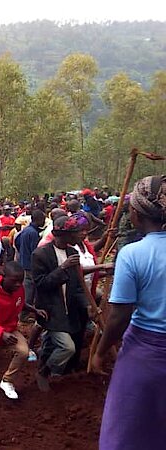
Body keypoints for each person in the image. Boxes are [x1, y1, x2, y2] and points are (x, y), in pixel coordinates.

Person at [92, 175, 166, 449]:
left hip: (145, 353)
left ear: (136, 213)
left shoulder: (132, 254)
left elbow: (119, 316)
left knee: (127, 429)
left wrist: (100, 351)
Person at [0, 262, 47, 407]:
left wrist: (34, 310)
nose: (18, 284)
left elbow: (20, 302)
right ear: (3, 277)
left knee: (23, 352)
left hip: (10, 330)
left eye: (20, 281)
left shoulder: (18, 289)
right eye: (14, 281)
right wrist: (1, 334)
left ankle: (7, 381)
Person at [32, 215, 89, 391]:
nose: (79, 235)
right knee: (67, 347)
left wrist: (87, 305)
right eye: (75, 233)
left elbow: (77, 285)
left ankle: (44, 364)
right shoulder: (40, 254)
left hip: (69, 309)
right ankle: (44, 372)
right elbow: (41, 284)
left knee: (51, 343)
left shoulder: (73, 253)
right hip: (51, 310)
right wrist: (62, 267)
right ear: (63, 235)